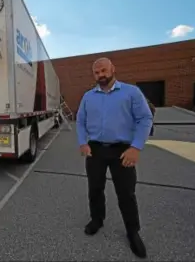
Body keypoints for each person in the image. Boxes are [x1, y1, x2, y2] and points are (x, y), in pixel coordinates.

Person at [76, 57, 153, 258]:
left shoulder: (131, 92)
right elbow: (80, 121)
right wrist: (83, 143)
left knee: (126, 193)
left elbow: (145, 119)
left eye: (104, 70)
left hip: (123, 150)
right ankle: (97, 220)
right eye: (96, 72)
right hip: (95, 150)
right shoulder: (88, 96)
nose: (101, 75)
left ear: (112, 70)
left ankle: (133, 232)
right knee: (95, 188)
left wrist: (136, 147)